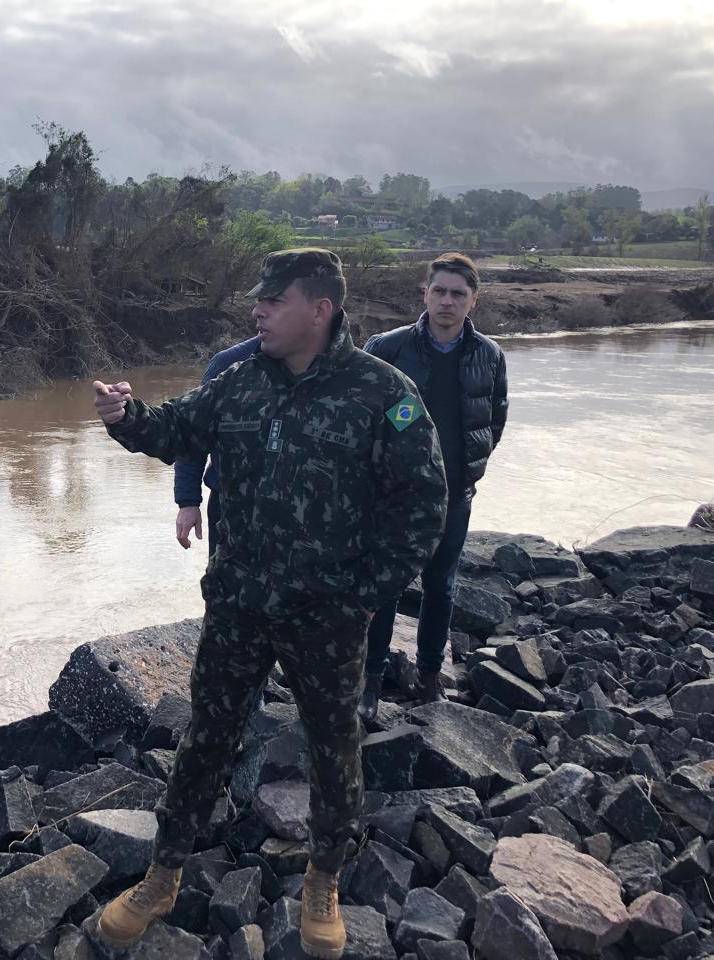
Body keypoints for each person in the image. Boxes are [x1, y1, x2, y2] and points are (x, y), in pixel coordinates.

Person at [90, 248, 448, 959]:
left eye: (272, 300)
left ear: (319, 309)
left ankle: (324, 876)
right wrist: (124, 415)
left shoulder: (383, 393)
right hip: (239, 607)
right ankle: (164, 871)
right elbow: (173, 432)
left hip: (327, 615)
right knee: (207, 738)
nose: (256, 310)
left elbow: (425, 501)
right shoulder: (238, 381)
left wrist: (365, 593)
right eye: (257, 298)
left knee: (333, 742)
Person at [358, 253, 508, 720]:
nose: (447, 301)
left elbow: (494, 420)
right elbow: (358, 414)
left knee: (440, 588)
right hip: (392, 496)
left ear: (473, 301)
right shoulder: (388, 347)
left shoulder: (489, 354)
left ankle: (429, 679)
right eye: (439, 291)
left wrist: (468, 471)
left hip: (453, 495)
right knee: (383, 588)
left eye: (457, 294)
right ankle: (368, 685)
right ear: (424, 293)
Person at [172, 336, 259, 555]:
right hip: (230, 507)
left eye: (275, 303)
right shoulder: (229, 364)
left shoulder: (348, 370)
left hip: (309, 513)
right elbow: (193, 433)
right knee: (224, 586)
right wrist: (188, 501)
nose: (259, 312)